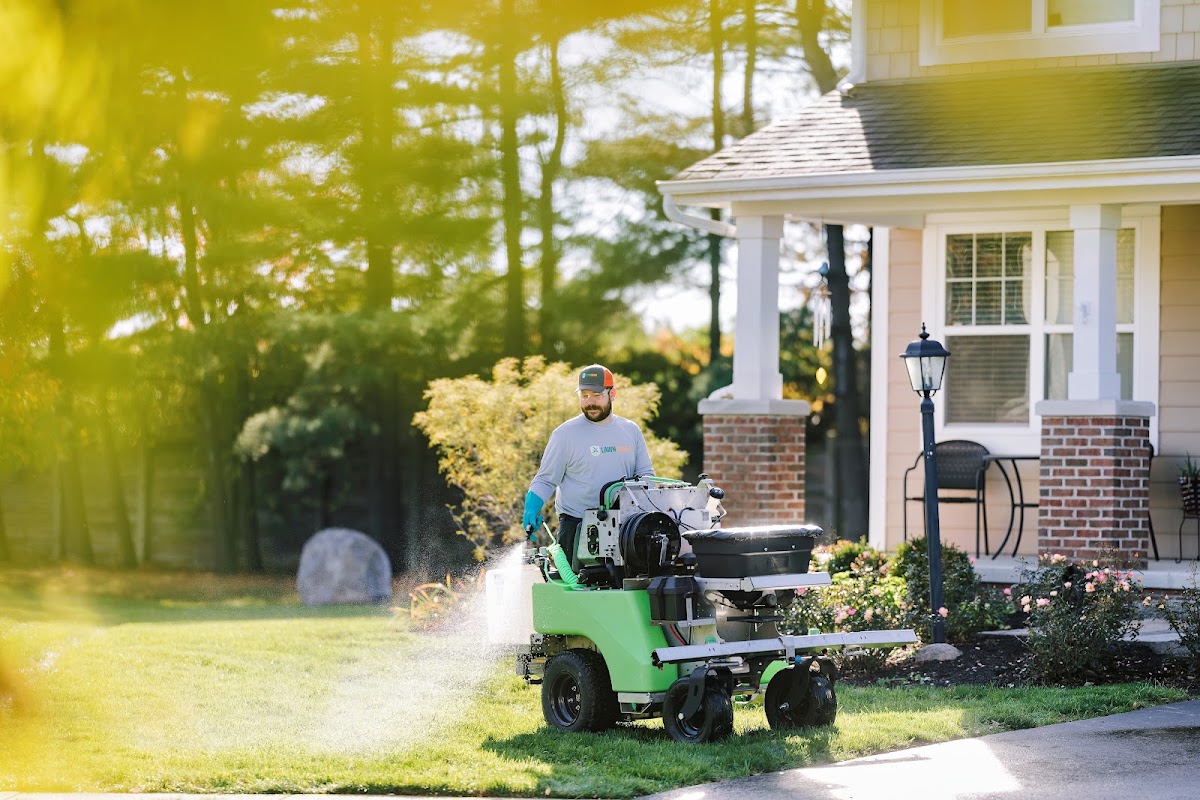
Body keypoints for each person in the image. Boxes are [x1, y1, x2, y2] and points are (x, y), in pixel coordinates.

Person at [522, 363, 655, 571]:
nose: (590, 402)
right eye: (584, 396)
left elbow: (646, 477)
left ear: (613, 394)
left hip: (626, 528)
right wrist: (532, 506)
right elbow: (546, 480)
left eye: (596, 395)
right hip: (577, 528)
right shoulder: (565, 435)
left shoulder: (630, 431)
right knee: (577, 592)